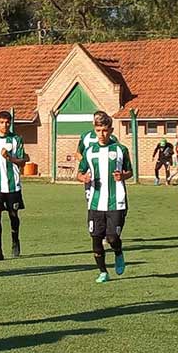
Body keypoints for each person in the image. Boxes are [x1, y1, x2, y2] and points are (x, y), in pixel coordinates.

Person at [77, 111, 132, 284]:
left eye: (105, 130)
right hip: (95, 202)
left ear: (111, 130)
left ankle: (118, 252)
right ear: (95, 130)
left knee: (112, 238)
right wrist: (83, 178)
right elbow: (79, 172)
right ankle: (103, 271)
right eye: (99, 130)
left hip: (117, 201)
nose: (102, 134)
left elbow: (130, 171)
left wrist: (122, 176)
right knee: (95, 238)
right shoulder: (89, 151)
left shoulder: (120, 149)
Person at [0, 111, 26, 261]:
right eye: (2, 122)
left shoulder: (16, 140)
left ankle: (15, 241)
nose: (5, 125)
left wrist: (9, 158)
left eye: (7, 122)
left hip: (12, 185)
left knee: (13, 215)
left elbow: (22, 161)